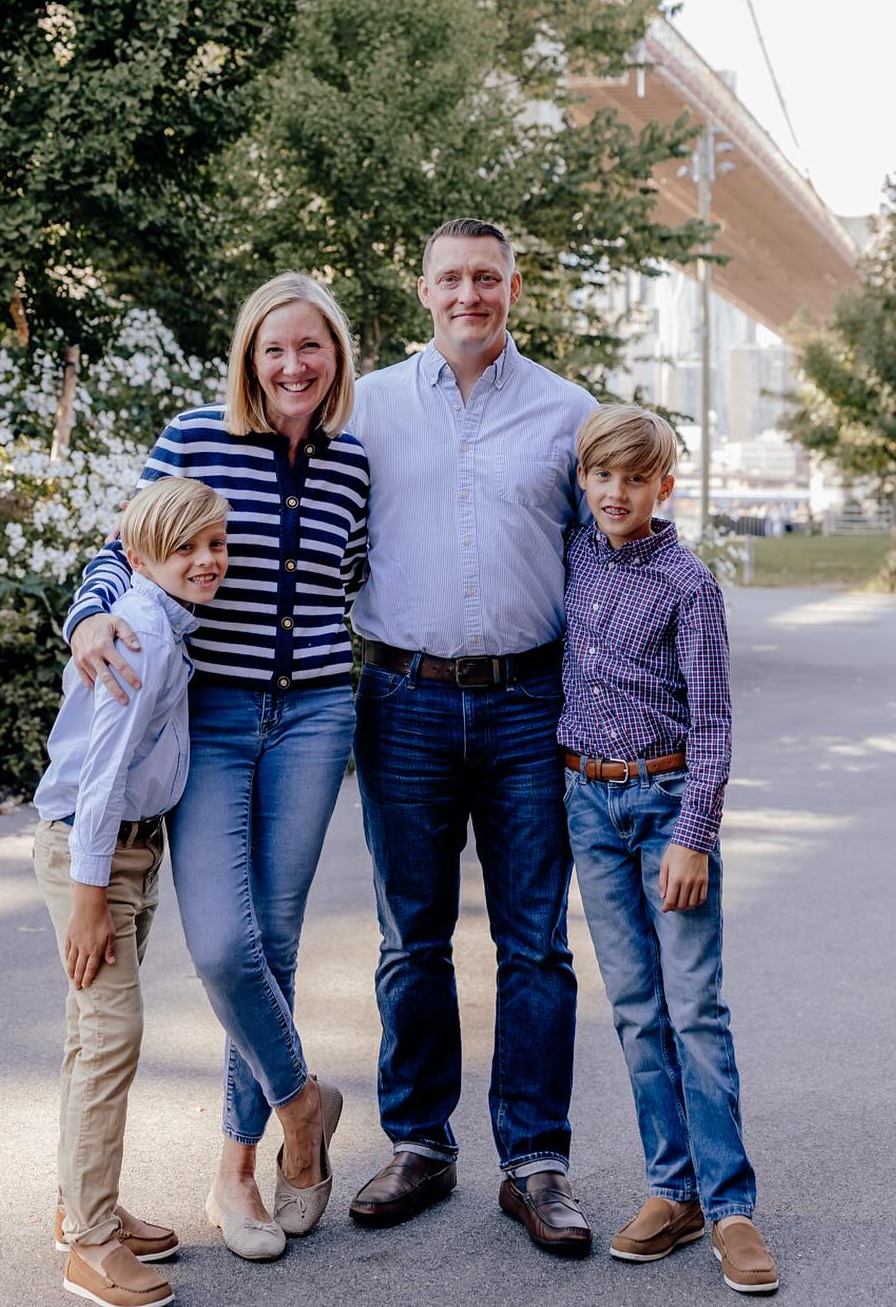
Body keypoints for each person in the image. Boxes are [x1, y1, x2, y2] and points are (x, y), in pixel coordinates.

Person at [64, 274, 368, 1263]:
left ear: (335, 358)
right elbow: (125, 545)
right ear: (249, 356)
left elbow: (350, 579)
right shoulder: (195, 435)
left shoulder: (355, 460)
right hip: (217, 714)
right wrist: (91, 614)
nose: (292, 365)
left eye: (310, 347)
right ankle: (303, 1105)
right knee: (227, 946)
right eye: (273, 348)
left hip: (319, 712)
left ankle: (238, 1166)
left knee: (276, 934)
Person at [346, 218, 598, 1257]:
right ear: (423, 288)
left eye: (486, 277)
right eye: (451, 276)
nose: (469, 293)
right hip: (400, 697)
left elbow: (603, 571)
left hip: (529, 703)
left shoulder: (568, 412)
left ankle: (535, 1160)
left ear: (514, 287)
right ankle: (419, 1141)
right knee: (412, 935)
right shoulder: (366, 407)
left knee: (534, 939)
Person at [560, 403, 779, 1292]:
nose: (617, 491)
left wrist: (695, 832)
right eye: (602, 475)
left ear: (664, 486)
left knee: (693, 1007)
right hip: (587, 805)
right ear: (585, 481)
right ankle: (671, 1190)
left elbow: (717, 727)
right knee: (636, 1010)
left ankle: (731, 1208)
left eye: (635, 478)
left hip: (663, 805)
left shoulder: (690, 585)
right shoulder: (573, 554)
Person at [33, 476, 230, 1307]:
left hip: (129, 854)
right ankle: (90, 1245)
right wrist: (89, 893)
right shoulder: (141, 634)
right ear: (139, 557)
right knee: (113, 1036)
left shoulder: (163, 623)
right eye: (185, 547)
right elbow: (104, 772)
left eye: (215, 544)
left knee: (92, 1034)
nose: (206, 560)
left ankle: (84, 1204)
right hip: (97, 853)